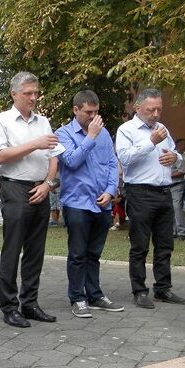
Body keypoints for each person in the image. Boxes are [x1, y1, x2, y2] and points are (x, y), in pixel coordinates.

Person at [0, 71, 60, 327]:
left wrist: (48, 184)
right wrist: (34, 144)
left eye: (36, 93)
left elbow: (54, 156)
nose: (33, 97)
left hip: (41, 188)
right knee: (12, 249)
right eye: (28, 93)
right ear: (14, 94)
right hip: (15, 188)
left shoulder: (43, 121)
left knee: (35, 251)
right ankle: (9, 307)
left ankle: (30, 303)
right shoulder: (1, 121)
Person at [116, 88, 185, 308]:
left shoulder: (162, 128)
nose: (156, 114)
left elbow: (176, 155)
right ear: (138, 108)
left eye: (159, 109)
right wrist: (151, 142)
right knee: (140, 245)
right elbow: (125, 158)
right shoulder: (126, 130)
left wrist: (174, 157)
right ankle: (139, 291)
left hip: (164, 191)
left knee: (165, 244)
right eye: (151, 109)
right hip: (140, 193)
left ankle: (163, 289)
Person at [55, 90, 124, 318]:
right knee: (77, 254)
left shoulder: (104, 134)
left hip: (102, 203)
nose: (93, 116)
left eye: (96, 112)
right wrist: (90, 137)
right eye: (88, 112)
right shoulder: (63, 133)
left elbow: (112, 164)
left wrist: (111, 191)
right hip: (77, 202)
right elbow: (71, 161)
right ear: (76, 110)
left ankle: (95, 295)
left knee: (94, 253)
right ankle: (77, 298)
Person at [170, 140, 185, 240]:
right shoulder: (161, 156)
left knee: (177, 208)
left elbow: (182, 171)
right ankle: (172, 231)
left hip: (176, 185)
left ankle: (181, 232)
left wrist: (167, 175)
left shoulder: (177, 157)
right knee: (168, 209)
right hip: (165, 186)